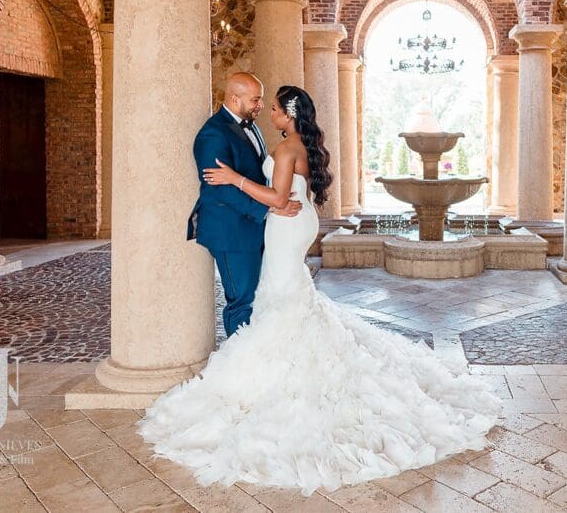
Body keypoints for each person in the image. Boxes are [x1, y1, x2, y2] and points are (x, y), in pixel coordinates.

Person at [141, 84, 500, 495]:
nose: (267, 112)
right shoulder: (301, 144)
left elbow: (277, 198)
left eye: (272, 107)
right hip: (299, 221)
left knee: (277, 293)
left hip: (284, 223)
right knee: (286, 294)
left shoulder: (284, 148)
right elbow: (289, 196)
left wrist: (233, 178)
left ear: (287, 114)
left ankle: (261, 373)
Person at [186, 72, 301, 337]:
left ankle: (253, 360)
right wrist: (269, 207)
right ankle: (238, 369)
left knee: (256, 296)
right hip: (230, 231)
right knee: (241, 300)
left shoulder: (252, 126)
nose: (260, 105)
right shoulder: (212, 134)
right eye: (256, 100)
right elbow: (219, 190)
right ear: (235, 99)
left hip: (252, 227)